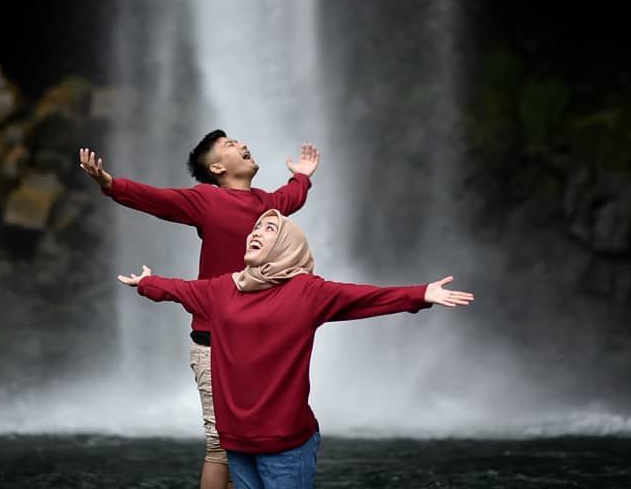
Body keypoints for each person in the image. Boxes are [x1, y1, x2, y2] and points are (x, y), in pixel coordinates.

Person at [117, 208, 475, 489]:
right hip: (237, 439)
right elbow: (177, 289)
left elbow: (367, 297)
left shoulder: (308, 292)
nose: (256, 232)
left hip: (286, 443)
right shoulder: (221, 289)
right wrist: (147, 282)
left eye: (269, 229)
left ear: (289, 246)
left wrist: (421, 294)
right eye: (255, 228)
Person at [79, 132, 320, 489]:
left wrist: (302, 175)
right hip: (214, 341)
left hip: (257, 345)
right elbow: (159, 200)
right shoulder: (207, 200)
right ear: (218, 167)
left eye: (238, 141)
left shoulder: (267, 206)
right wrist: (110, 183)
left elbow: (291, 197)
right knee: (221, 445)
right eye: (230, 145)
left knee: (246, 441)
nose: (241, 144)